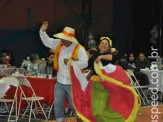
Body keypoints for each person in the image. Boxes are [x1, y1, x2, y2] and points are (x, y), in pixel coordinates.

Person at [39, 21, 88, 122]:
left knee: (74, 105)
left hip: (73, 83)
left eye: (63, 38)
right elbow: (47, 41)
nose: (61, 40)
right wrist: (42, 31)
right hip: (60, 81)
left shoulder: (79, 49)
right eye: (61, 38)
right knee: (57, 104)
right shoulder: (59, 44)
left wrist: (71, 62)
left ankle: (80, 120)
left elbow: (85, 63)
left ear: (70, 40)